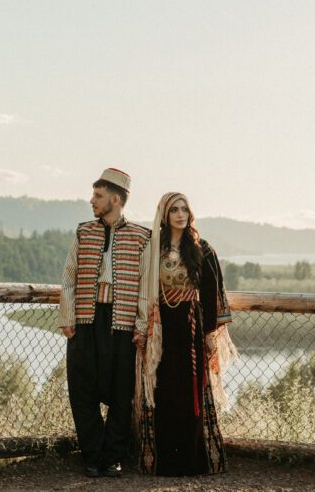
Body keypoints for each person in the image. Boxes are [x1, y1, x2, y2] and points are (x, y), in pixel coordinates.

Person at [134, 192, 237, 476]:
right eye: (174, 210)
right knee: (164, 390)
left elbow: (210, 293)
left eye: (184, 209)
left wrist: (208, 335)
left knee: (190, 391)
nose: (180, 214)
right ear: (164, 216)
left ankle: (194, 462)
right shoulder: (154, 249)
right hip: (162, 330)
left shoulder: (201, 250)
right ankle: (167, 463)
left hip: (190, 329)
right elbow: (143, 288)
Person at [58, 168, 151, 478]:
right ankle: (93, 454)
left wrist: (140, 324)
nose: (92, 201)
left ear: (115, 198)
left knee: (121, 391)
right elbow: (69, 276)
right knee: (81, 388)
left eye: (97, 196)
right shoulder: (83, 232)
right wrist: (68, 317)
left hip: (122, 322)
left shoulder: (141, 236)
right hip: (85, 319)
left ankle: (113, 457)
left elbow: (144, 285)